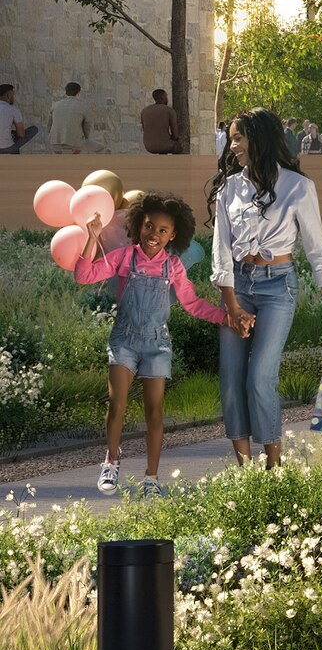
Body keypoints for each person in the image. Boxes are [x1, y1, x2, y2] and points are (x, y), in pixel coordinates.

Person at [75, 191, 244, 492]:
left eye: (162, 230)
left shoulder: (174, 267)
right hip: (124, 340)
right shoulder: (125, 258)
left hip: (157, 345)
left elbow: (193, 304)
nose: (154, 234)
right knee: (117, 404)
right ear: (139, 224)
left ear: (173, 235)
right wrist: (92, 236)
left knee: (155, 412)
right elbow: (84, 275)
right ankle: (111, 462)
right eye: (149, 226)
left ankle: (151, 478)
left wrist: (226, 317)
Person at [206, 112, 322, 471]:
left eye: (239, 138)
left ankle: (273, 468)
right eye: (231, 139)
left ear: (259, 138)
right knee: (232, 379)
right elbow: (221, 250)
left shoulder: (297, 186)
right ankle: (246, 472)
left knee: (261, 376)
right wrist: (231, 304)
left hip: (279, 285)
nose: (232, 146)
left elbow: (317, 249)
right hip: (237, 288)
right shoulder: (228, 188)